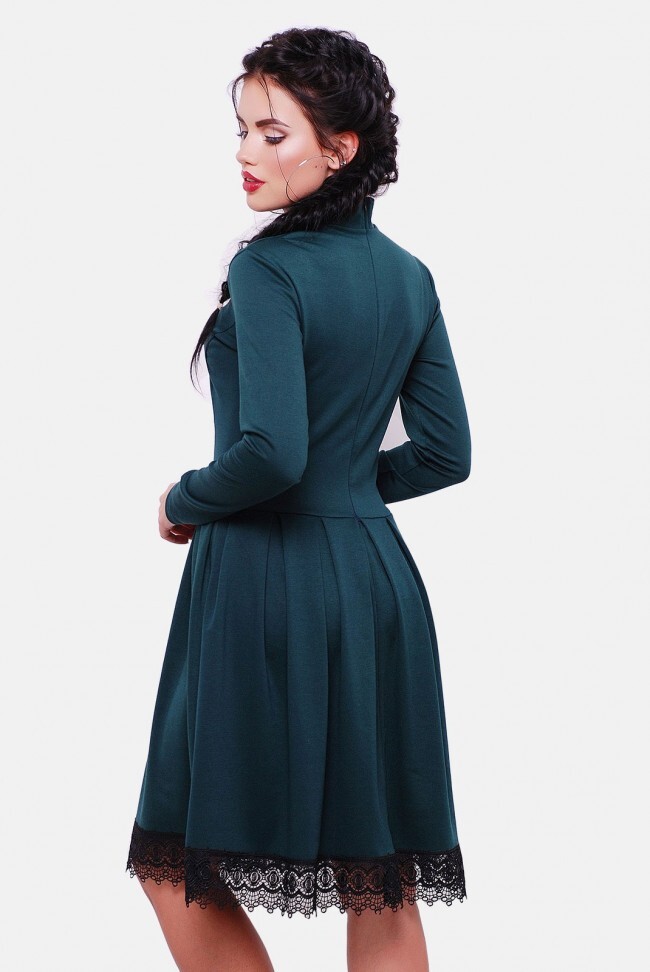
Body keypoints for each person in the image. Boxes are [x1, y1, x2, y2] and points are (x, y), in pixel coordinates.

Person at [125, 26, 471, 972]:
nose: (246, 152)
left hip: (261, 581)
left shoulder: (266, 268)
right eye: (241, 130)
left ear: (340, 147)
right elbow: (446, 454)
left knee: (170, 857)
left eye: (272, 133)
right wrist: (348, 485)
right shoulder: (408, 276)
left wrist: (185, 499)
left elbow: (272, 455)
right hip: (374, 586)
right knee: (379, 877)